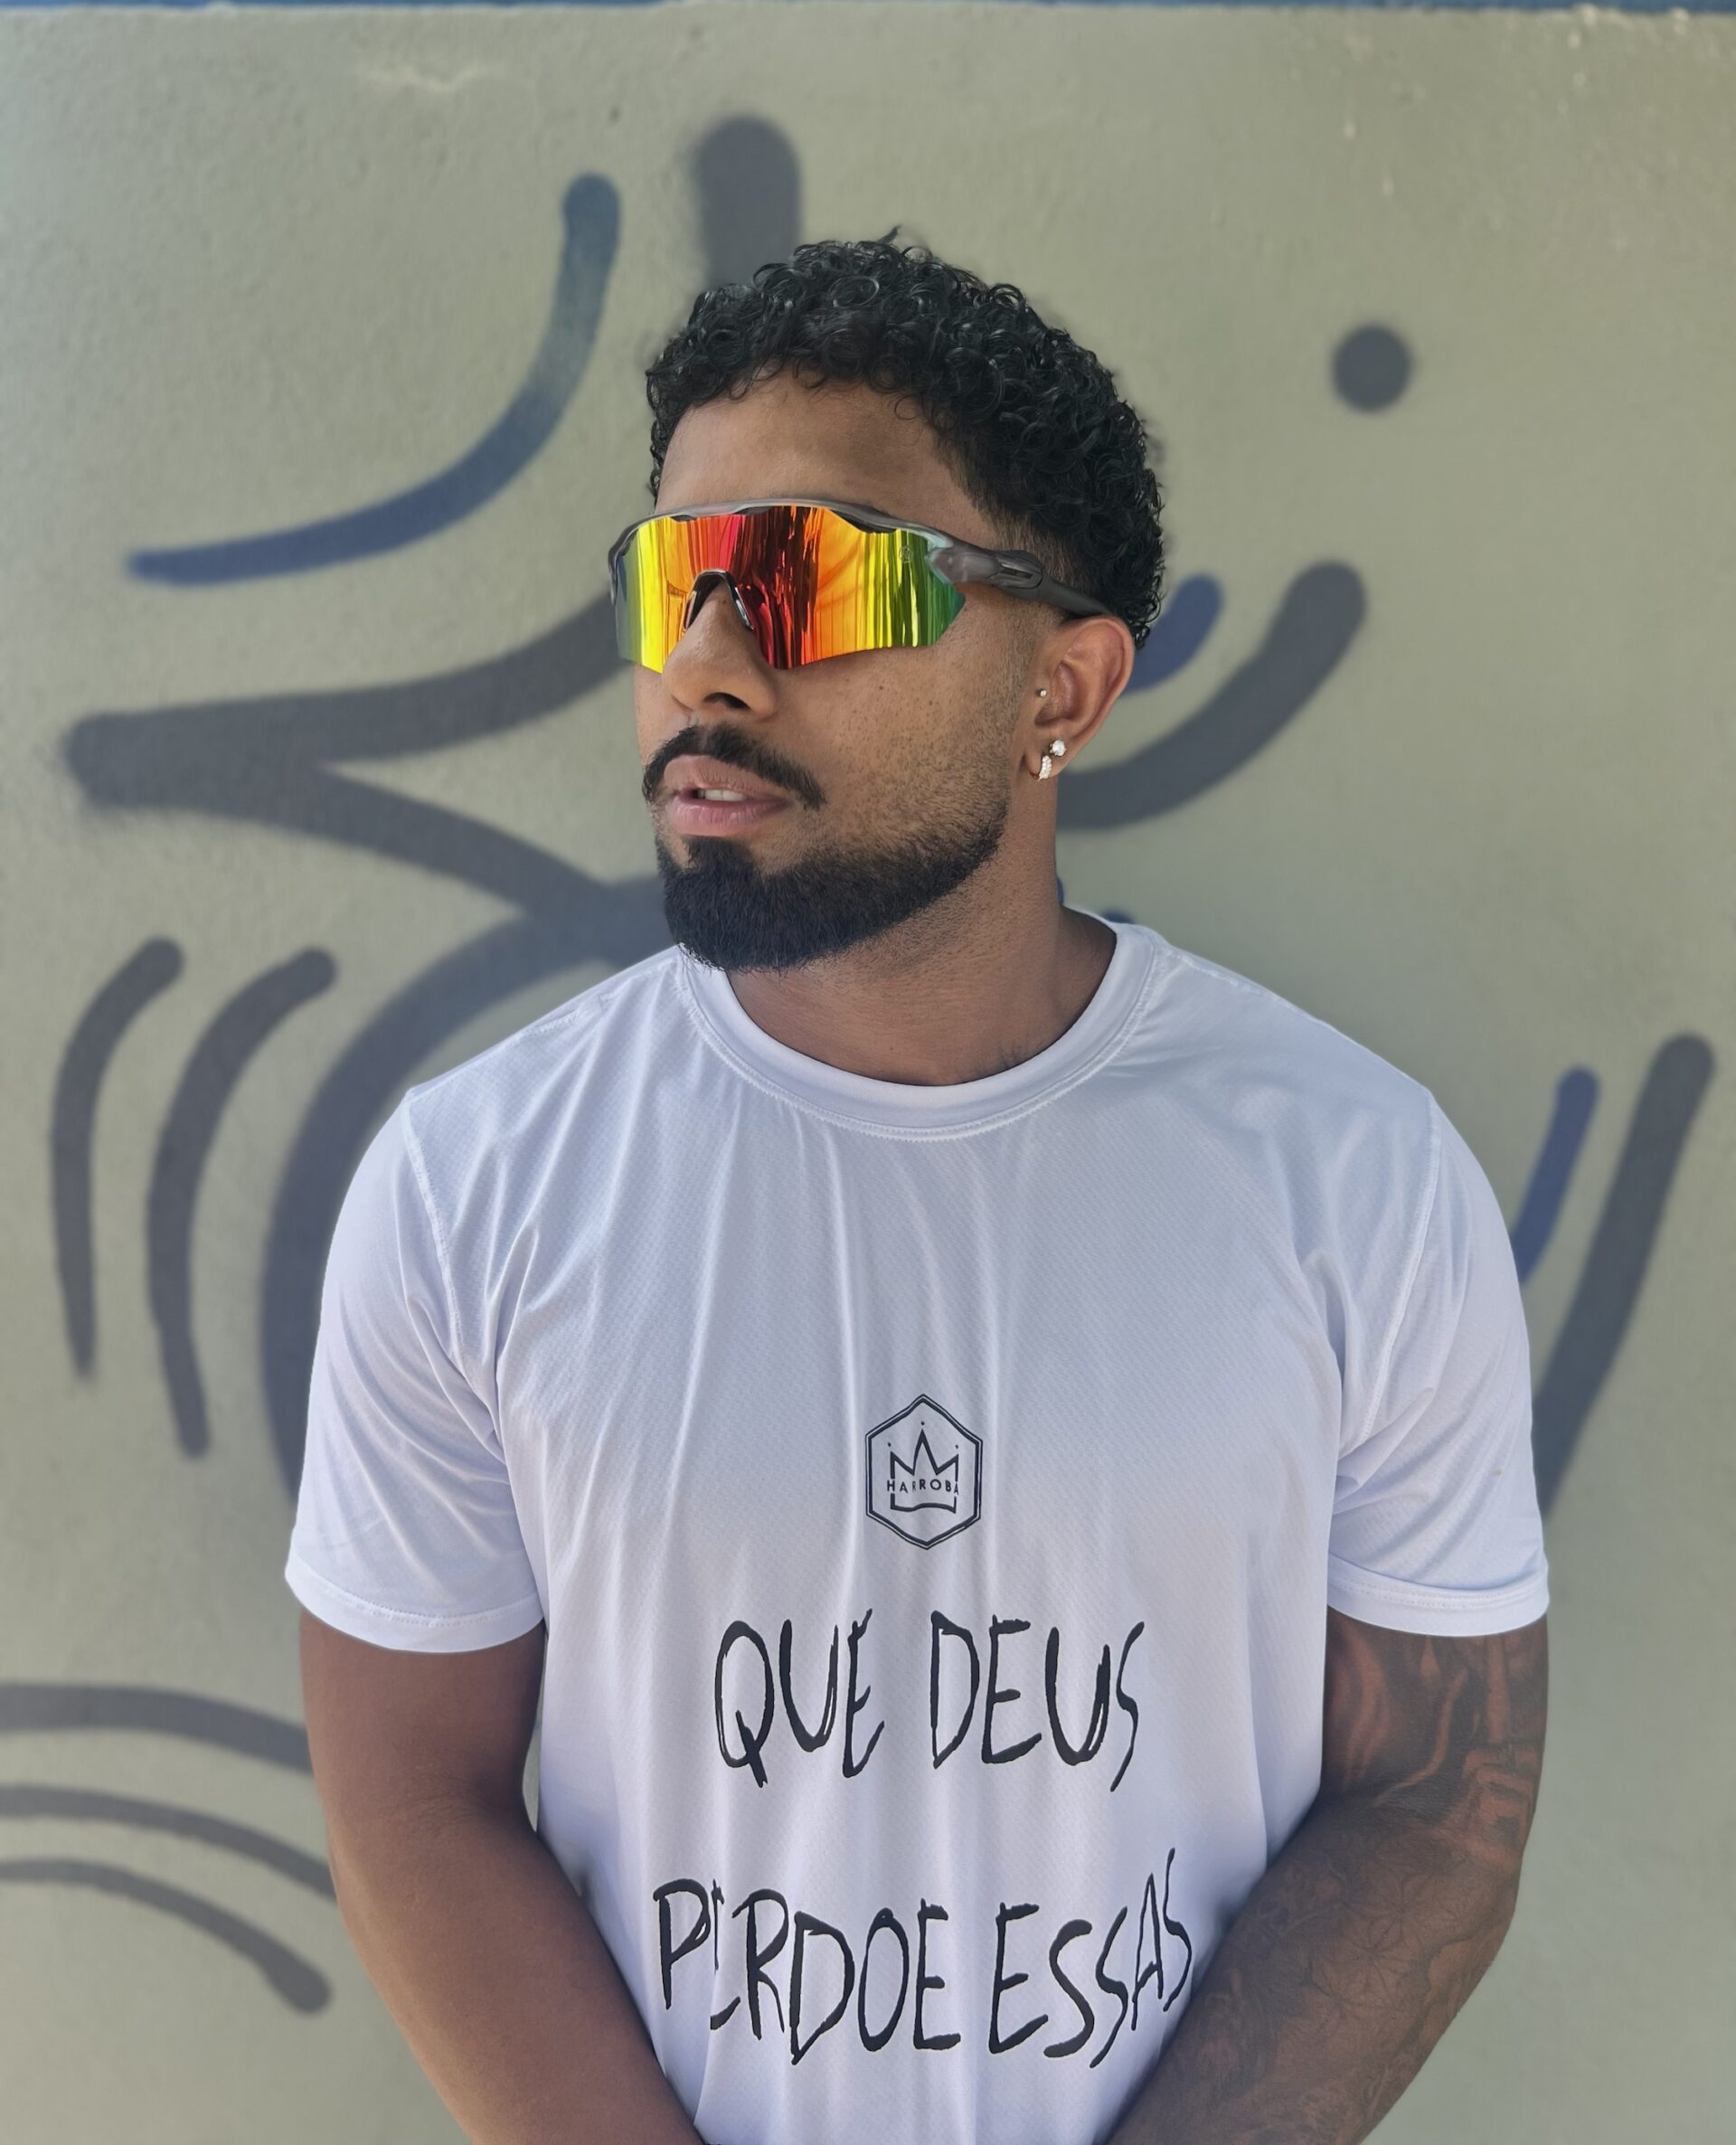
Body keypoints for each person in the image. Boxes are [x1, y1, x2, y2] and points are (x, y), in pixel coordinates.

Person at [287, 237, 1549, 2145]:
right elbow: (414, 1793)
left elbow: (1437, 1803)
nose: (708, 660)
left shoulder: (1354, 1184)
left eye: (813, 574)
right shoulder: (476, 1189)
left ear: (1065, 685)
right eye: (674, 578)